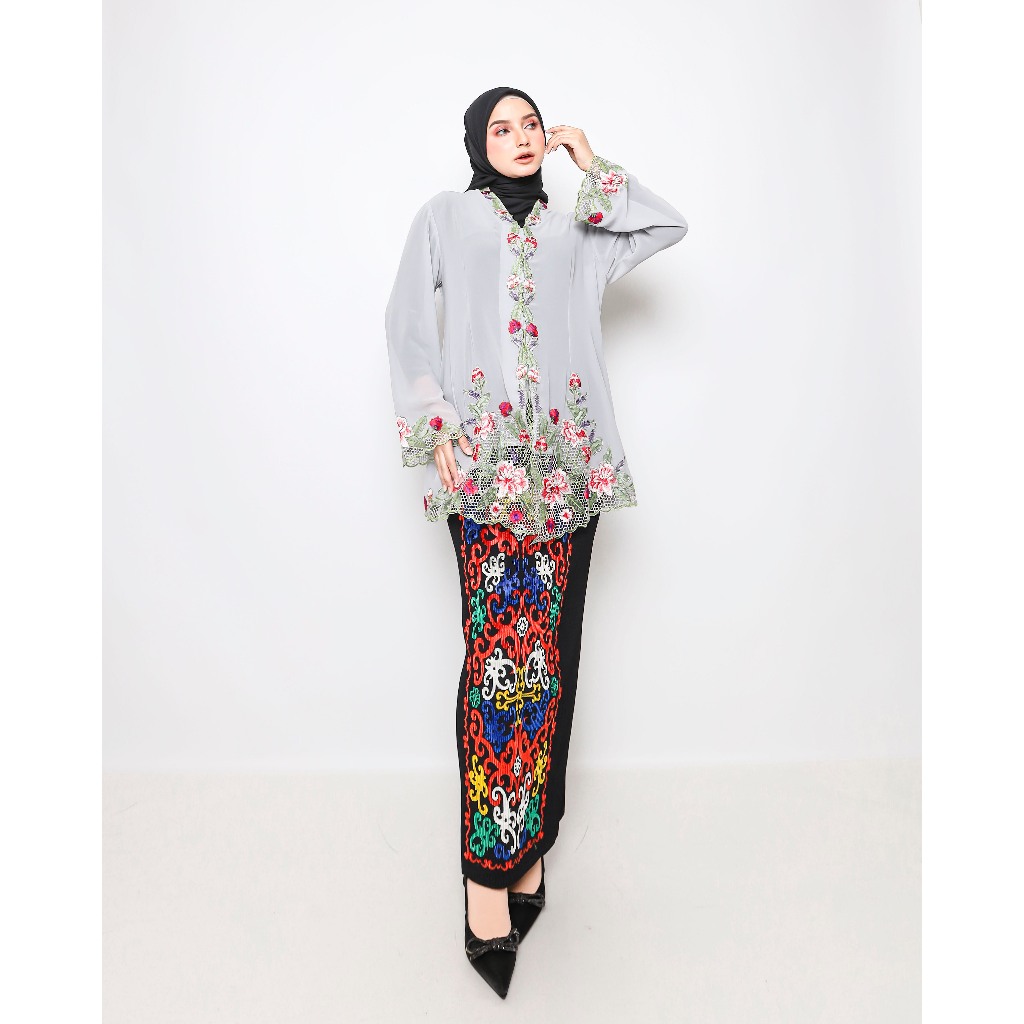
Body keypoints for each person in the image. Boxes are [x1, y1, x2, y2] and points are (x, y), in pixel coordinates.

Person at [384, 85, 688, 998]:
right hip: (485, 471)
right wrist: (435, 421)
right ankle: (487, 873)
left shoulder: (574, 230)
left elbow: (664, 228)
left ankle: (529, 851)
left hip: (569, 470)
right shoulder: (446, 218)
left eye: (531, 125)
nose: (518, 138)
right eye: (501, 127)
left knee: (550, 663)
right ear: (476, 141)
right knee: (498, 667)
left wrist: (593, 165)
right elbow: (406, 323)